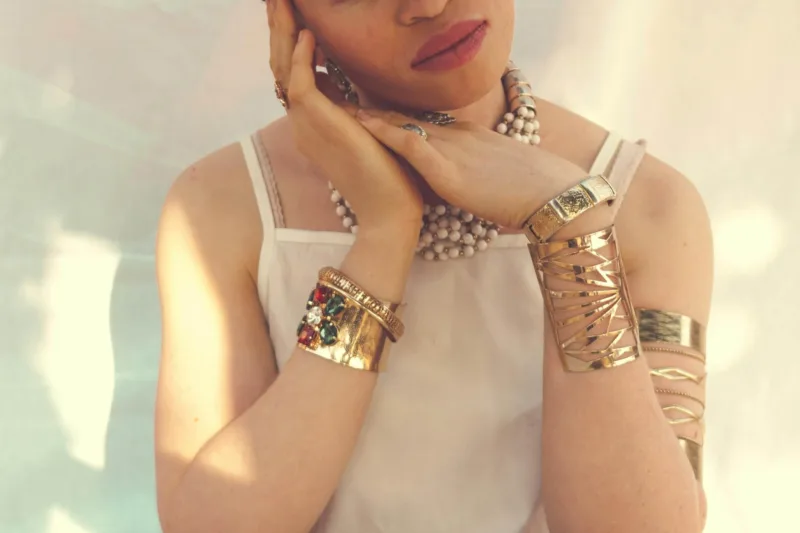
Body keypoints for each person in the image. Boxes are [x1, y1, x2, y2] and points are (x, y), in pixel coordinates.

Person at [153, 0, 712, 532]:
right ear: (289, 15)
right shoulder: (225, 207)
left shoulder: (645, 206)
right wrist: (383, 236)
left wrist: (571, 235)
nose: (426, 3)